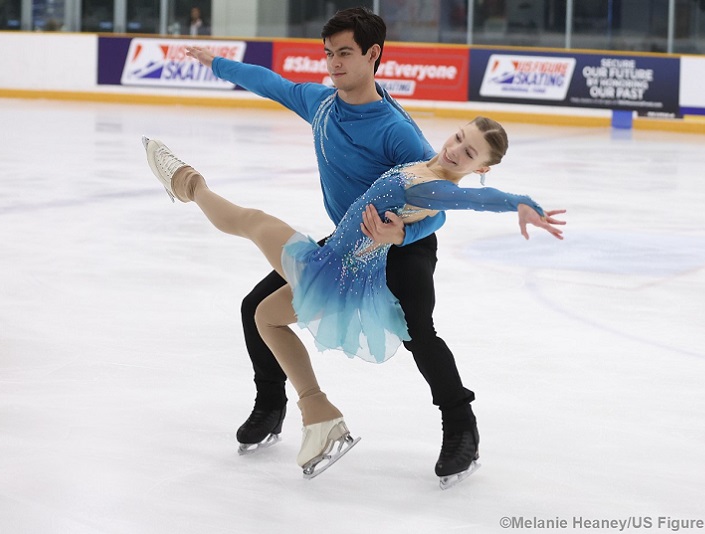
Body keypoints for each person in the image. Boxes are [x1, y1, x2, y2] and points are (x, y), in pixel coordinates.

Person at [142, 116, 565, 480]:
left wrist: (521, 203)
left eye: (469, 153)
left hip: (336, 274)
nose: (456, 150)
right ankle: (318, 412)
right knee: (266, 314)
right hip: (336, 264)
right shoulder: (422, 166)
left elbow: (475, 200)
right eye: (458, 138)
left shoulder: (436, 191)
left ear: (482, 166)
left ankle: (186, 181)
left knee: (249, 221)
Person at [184, 7, 494, 484]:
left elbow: (438, 208)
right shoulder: (321, 104)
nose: (333, 63)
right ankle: (271, 407)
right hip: (351, 240)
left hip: (404, 246)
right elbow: (269, 82)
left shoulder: (397, 132)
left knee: (418, 333)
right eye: (328, 53)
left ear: (373, 55)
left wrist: (400, 234)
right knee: (256, 308)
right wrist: (216, 63)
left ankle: (461, 426)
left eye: (345, 53)